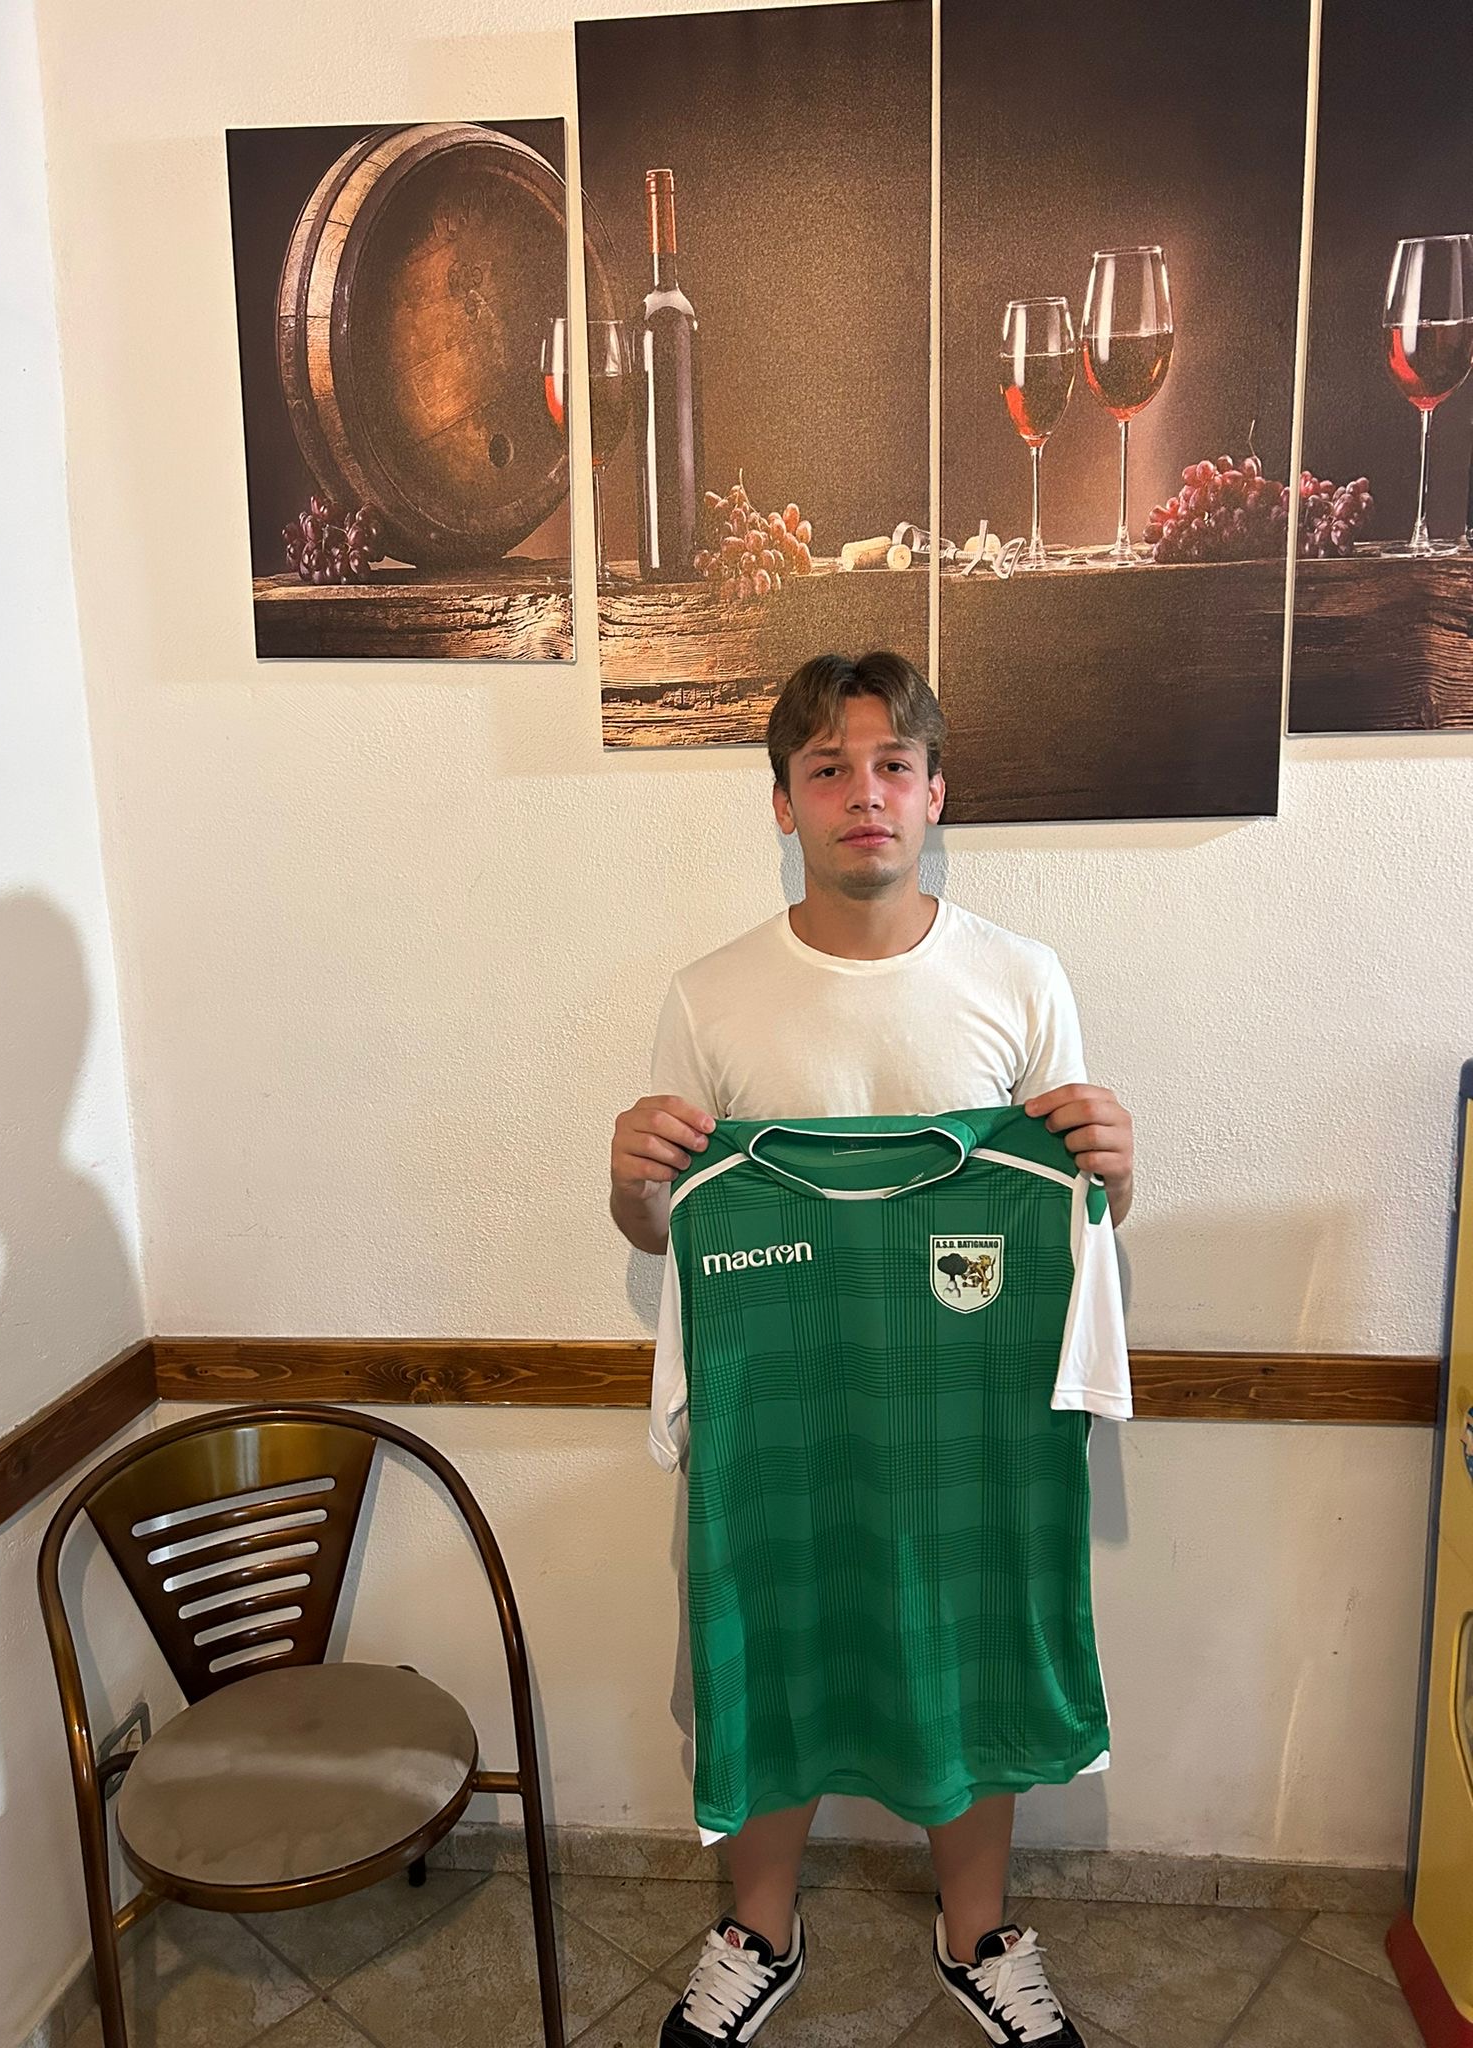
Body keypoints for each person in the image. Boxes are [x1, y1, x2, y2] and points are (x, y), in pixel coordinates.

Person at [609, 651, 1135, 2048]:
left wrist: (1115, 1171)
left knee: (971, 1633)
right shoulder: (709, 997)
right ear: (781, 801)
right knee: (768, 1623)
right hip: (780, 1417)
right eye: (828, 769)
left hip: (966, 1414)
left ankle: (978, 1933)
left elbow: (1075, 1218)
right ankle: (758, 1928)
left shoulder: (1021, 980)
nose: (865, 794)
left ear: (935, 792)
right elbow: (665, 1230)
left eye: (893, 765)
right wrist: (634, 1184)